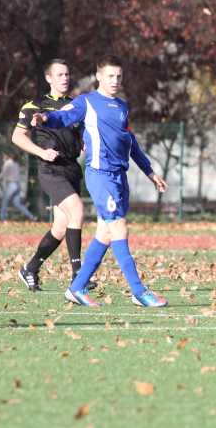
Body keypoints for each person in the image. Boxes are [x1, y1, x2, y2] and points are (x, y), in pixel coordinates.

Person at [31, 56, 169, 307]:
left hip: (119, 177)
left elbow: (131, 143)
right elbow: (63, 117)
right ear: (99, 77)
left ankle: (76, 288)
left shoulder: (122, 107)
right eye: (110, 76)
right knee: (119, 227)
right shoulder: (87, 102)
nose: (115, 81)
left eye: (118, 76)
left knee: (105, 234)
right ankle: (139, 291)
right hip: (100, 175)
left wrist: (150, 172)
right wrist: (45, 118)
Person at [12, 59, 86, 291]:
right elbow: (17, 137)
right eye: (60, 74)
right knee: (77, 210)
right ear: (49, 78)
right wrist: (41, 152)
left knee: (61, 228)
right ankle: (78, 276)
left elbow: (84, 140)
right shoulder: (34, 105)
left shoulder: (77, 106)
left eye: (67, 74)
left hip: (72, 169)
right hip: (51, 171)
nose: (65, 78)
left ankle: (30, 268)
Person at [0, 153, 36, 221]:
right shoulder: (16, 164)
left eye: (3, 155)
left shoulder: (7, 163)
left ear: (7, 156)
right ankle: (32, 217)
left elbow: (3, 174)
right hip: (17, 185)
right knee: (17, 204)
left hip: (11, 185)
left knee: (4, 202)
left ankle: (3, 219)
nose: (3, 157)